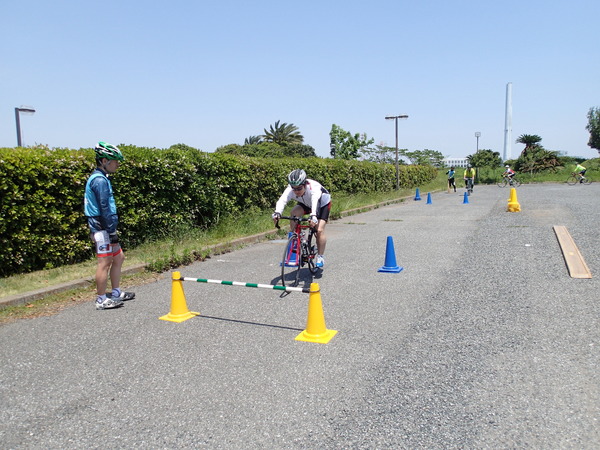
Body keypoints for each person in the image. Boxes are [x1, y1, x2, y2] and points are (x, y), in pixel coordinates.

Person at [84, 142, 135, 310]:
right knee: (104, 262)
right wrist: (111, 230)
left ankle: (115, 292)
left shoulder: (102, 178)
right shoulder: (99, 180)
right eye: (115, 161)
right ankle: (101, 299)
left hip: (106, 226)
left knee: (118, 257)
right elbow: (104, 207)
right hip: (101, 227)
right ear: (105, 161)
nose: (118, 164)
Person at [272, 169, 331, 268]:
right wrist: (277, 213)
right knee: (293, 213)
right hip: (305, 203)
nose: (296, 191)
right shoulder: (291, 189)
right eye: (293, 189)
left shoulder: (314, 188)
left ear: (305, 184)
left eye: (299, 188)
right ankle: (297, 237)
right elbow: (282, 200)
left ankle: (320, 256)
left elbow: (315, 202)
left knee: (319, 230)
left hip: (321, 204)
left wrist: (313, 216)